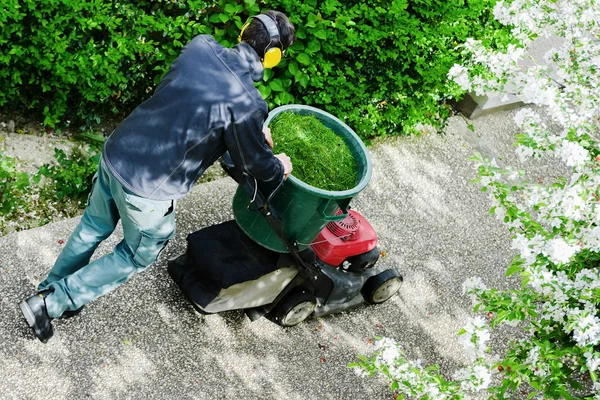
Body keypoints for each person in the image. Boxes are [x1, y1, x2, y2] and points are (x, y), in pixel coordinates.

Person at [19, 10, 296, 343]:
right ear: (273, 56)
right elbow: (256, 167)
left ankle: (50, 290)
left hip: (117, 153)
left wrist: (247, 138)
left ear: (243, 33)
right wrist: (277, 163)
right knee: (136, 254)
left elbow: (194, 115)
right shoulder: (247, 103)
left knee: (92, 227)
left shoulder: (200, 46)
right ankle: (51, 303)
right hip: (148, 190)